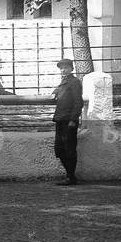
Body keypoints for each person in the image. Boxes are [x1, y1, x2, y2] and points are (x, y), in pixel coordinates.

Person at [52, 58, 84, 186]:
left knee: (69, 149)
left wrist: (73, 119)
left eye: (65, 67)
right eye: (61, 68)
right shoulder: (64, 82)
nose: (63, 69)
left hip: (69, 121)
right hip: (60, 119)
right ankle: (70, 176)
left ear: (72, 68)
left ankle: (71, 177)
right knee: (59, 149)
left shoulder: (75, 82)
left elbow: (78, 102)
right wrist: (54, 92)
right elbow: (60, 93)